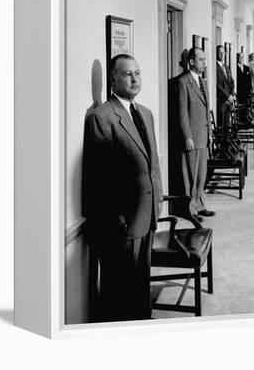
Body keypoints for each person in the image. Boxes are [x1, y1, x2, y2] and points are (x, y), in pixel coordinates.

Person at [81, 54, 163, 322]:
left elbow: (153, 164)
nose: (135, 79)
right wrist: (116, 217)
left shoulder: (146, 113)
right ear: (113, 79)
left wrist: (158, 202)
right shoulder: (101, 117)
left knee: (140, 283)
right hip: (121, 221)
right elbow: (98, 177)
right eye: (127, 74)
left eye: (137, 73)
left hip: (146, 213)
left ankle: (142, 324)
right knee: (119, 290)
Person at [177, 47, 215, 220]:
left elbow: (207, 110)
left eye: (205, 60)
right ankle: (190, 210)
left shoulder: (203, 81)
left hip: (203, 134)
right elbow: (182, 112)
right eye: (201, 60)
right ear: (191, 62)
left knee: (201, 174)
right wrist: (187, 136)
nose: (204, 63)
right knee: (190, 175)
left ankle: (200, 205)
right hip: (192, 136)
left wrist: (210, 134)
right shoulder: (183, 82)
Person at [216, 44, 235, 131]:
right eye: (220, 53)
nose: (222, 55)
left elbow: (232, 82)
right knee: (221, 126)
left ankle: (226, 144)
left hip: (229, 101)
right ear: (216, 54)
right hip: (222, 101)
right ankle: (222, 144)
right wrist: (227, 96)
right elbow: (218, 85)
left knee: (227, 125)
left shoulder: (226, 66)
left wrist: (231, 95)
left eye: (223, 53)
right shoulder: (215, 67)